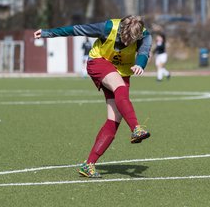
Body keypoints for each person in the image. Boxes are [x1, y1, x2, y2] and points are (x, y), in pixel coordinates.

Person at [34, 15, 151, 178]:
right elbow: (76, 29)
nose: (127, 43)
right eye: (126, 38)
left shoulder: (144, 35)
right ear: (122, 30)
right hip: (99, 62)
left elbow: (144, 52)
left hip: (122, 70)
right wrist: (47, 33)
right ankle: (136, 128)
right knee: (120, 88)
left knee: (114, 121)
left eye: (132, 40)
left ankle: (88, 165)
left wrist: (140, 63)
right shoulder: (107, 28)